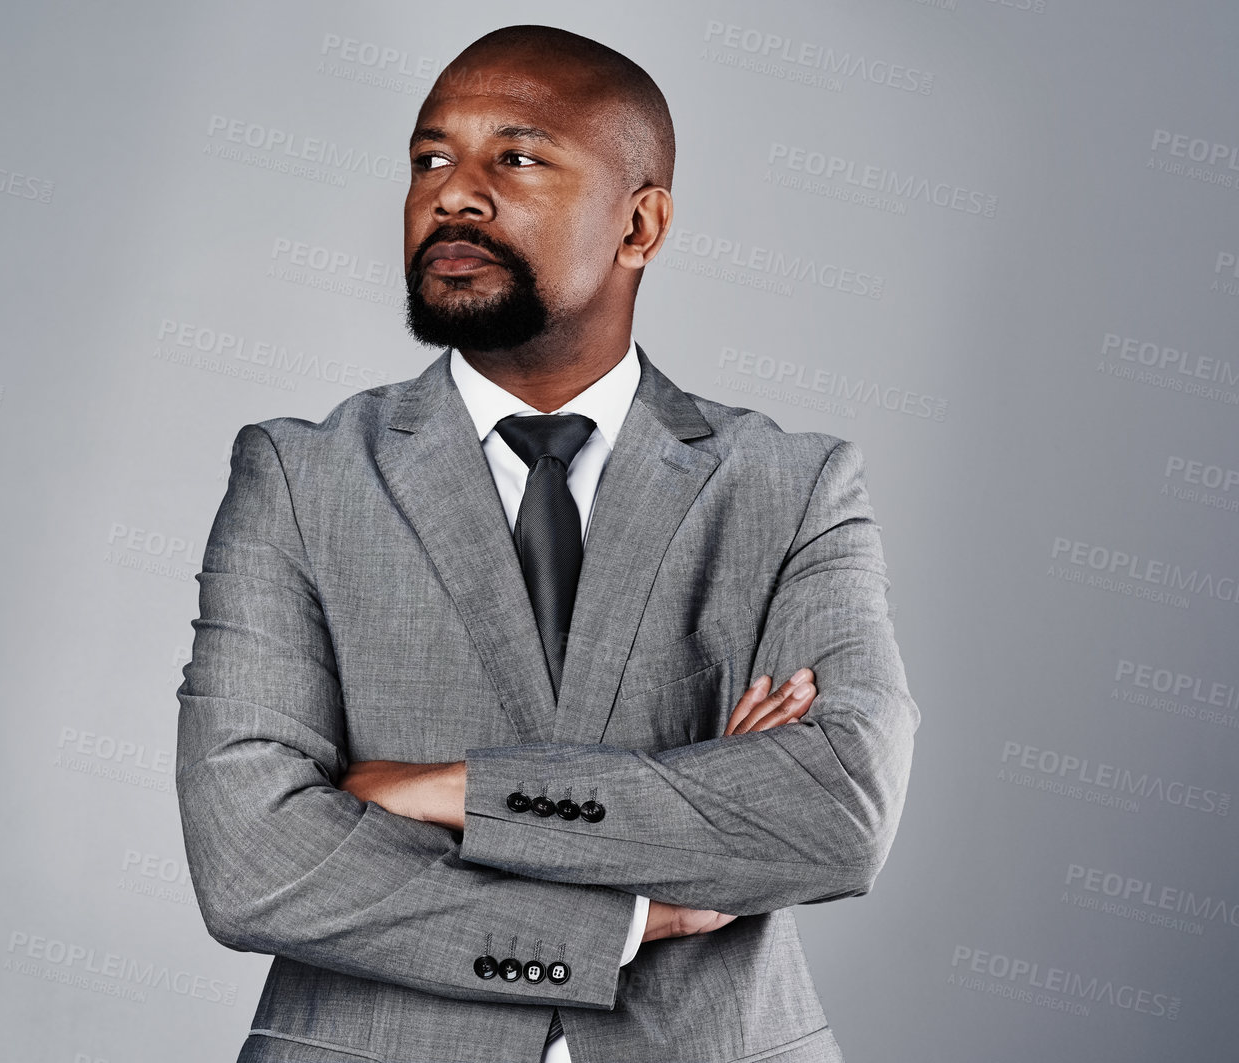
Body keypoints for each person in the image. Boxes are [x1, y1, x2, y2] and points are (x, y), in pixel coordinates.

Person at [176, 24, 918, 1063]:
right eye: (428, 157)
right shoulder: (300, 478)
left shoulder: (788, 485)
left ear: (639, 224)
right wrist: (625, 906)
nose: (452, 192)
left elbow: (832, 812)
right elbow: (252, 856)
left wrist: (441, 791)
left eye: (513, 157)